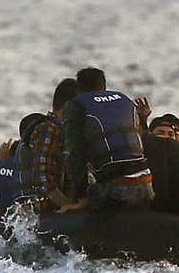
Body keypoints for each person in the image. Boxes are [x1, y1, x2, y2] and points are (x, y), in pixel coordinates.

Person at [62, 67, 154, 210]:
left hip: (116, 189)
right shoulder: (124, 99)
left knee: (88, 195)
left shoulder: (77, 105)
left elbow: (75, 152)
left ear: (79, 89)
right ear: (104, 86)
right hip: (146, 185)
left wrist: (80, 199)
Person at [16, 78, 79, 211]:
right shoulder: (50, 129)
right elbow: (42, 177)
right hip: (46, 212)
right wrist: (69, 205)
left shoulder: (59, 130)